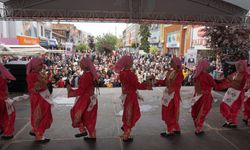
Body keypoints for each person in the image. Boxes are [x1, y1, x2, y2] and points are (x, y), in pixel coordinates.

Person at [114, 55, 152, 142]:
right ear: (128, 63)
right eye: (131, 62)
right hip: (131, 96)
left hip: (125, 95)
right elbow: (137, 85)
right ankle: (126, 134)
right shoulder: (131, 75)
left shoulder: (122, 73)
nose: (132, 63)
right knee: (130, 114)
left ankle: (126, 131)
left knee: (127, 113)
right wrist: (148, 84)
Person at [67, 57, 99, 141]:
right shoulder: (91, 74)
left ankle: (82, 130)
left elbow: (81, 90)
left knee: (75, 112)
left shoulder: (85, 76)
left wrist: (70, 91)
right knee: (90, 118)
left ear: (85, 65)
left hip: (85, 99)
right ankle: (92, 135)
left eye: (81, 63)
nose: (80, 65)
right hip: (92, 98)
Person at [26, 57, 53, 143]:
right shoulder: (32, 75)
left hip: (43, 97)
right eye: (40, 64)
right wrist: (41, 84)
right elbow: (32, 88)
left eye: (42, 64)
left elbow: (43, 84)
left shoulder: (38, 74)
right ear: (34, 66)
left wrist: (47, 78)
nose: (42, 66)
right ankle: (39, 135)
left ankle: (35, 131)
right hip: (38, 98)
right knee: (41, 116)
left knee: (40, 115)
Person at [215, 60, 249, 128]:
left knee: (233, 108)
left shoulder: (246, 75)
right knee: (224, 105)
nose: (237, 66)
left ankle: (232, 121)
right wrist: (218, 82)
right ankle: (230, 120)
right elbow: (227, 81)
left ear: (243, 66)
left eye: (239, 65)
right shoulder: (235, 73)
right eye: (236, 65)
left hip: (238, 94)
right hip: (230, 92)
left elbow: (247, 85)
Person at [156, 56, 184, 137]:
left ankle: (170, 130)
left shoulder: (179, 74)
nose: (170, 63)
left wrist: (170, 88)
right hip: (169, 95)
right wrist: (156, 81)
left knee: (170, 112)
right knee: (170, 112)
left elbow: (176, 85)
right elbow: (165, 82)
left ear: (176, 63)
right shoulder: (171, 72)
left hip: (173, 96)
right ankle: (176, 128)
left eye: (172, 62)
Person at [191, 59, 216, 135]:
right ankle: (198, 129)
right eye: (207, 64)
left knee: (197, 111)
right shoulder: (207, 76)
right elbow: (214, 85)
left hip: (197, 96)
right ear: (205, 66)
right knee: (202, 113)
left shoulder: (196, 74)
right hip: (205, 97)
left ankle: (197, 127)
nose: (208, 66)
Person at [0, 64, 16, 140]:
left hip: (3, 100)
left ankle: (6, 132)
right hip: (4, 100)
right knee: (7, 117)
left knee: (6, 116)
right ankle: (7, 132)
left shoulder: (2, 79)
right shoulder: (3, 79)